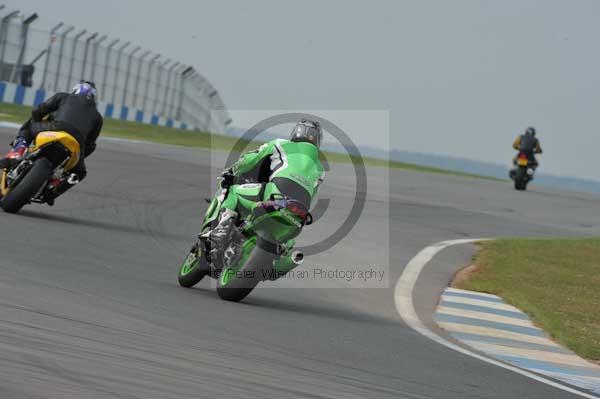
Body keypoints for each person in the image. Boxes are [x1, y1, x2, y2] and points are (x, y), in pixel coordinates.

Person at [204, 119, 325, 248]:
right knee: (285, 246)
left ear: (296, 133)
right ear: (318, 141)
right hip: (300, 212)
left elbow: (249, 160)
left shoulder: (280, 144)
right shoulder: (320, 169)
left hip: (275, 197)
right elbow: (313, 198)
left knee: (233, 191)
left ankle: (221, 230)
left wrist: (233, 170)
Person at [1, 81, 103, 203]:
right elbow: (90, 146)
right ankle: (54, 189)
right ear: (93, 97)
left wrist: (37, 120)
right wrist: (78, 158)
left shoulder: (63, 96)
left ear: (76, 90)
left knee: (28, 125)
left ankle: (17, 152)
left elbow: (38, 111)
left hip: (54, 129)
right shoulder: (98, 117)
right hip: (76, 143)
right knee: (80, 173)